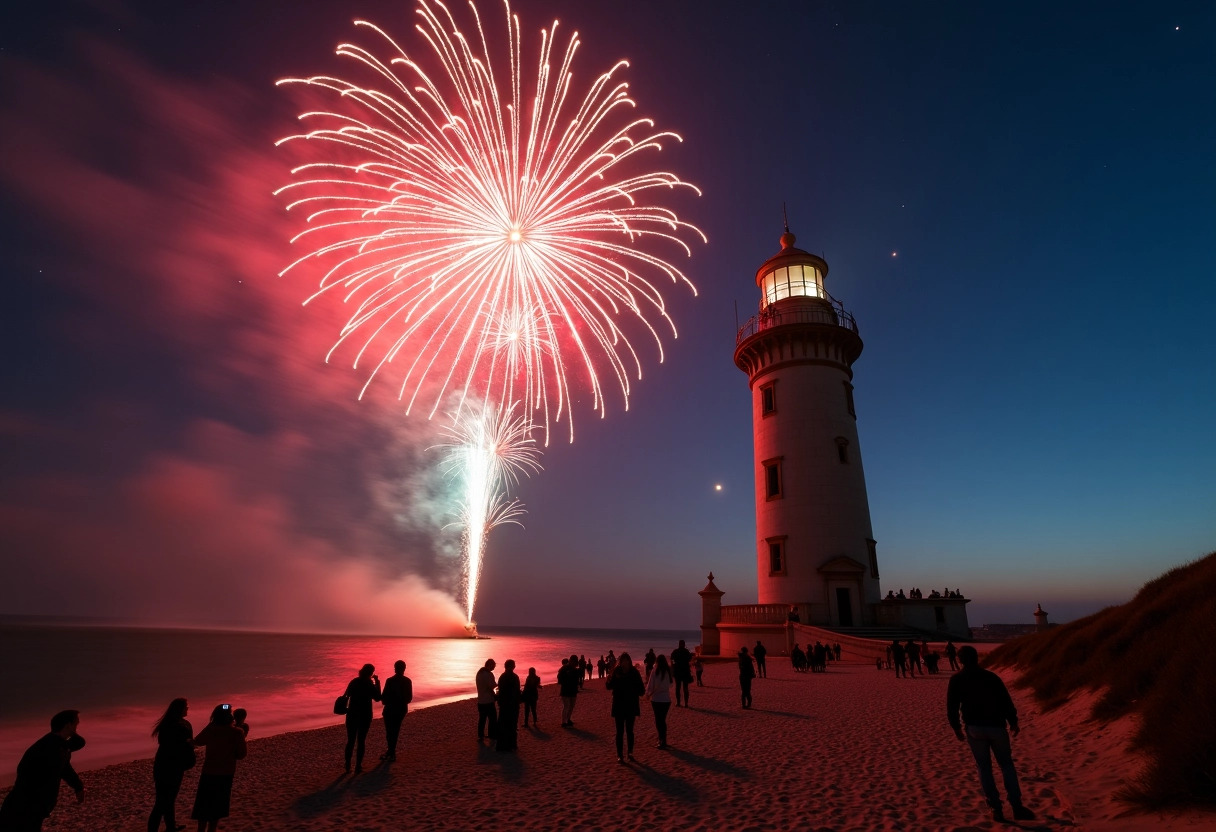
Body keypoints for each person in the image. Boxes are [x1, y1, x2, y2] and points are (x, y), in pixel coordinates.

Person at [947, 646, 1035, 822]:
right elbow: (1005, 700)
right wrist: (1014, 721)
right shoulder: (991, 677)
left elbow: (952, 706)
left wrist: (956, 727)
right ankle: (1016, 806)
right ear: (977, 658)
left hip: (974, 728)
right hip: (996, 726)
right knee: (1006, 765)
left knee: (984, 768)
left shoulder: (957, 679)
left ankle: (995, 808)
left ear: (960, 660)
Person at [0, 710, 85, 831]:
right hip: (23, 807)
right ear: (67, 725)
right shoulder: (49, 748)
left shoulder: (60, 746)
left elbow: (66, 766)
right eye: (76, 724)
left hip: (32, 807)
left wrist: (78, 786)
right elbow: (59, 770)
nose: (78, 726)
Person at [191, 704, 247, 832]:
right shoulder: (237, 733)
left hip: (209, 771)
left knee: (204, 804)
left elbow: (198, 741)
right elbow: (242, 755)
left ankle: (201, 830)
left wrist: (211, 725)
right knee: (217, 806)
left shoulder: (211, 729)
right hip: (226, 773)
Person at [148, 698, 194, 832]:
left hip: (163, 764)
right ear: (180, 709)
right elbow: (185, 745)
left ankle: (170, 826)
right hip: (172, 766)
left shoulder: (167, 724)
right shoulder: (181, 725)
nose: (188, 709)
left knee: (166, 800)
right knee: (163, 802)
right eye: (186, 707)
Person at [605, 652, 645, 763]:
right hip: (618, 705)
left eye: (626, 660)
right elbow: (609, 686)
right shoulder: (616, 671)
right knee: (619, 732)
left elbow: (641, 690)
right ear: (620, 661)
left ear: (629, 661)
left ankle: (630, 752)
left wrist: (634, 690)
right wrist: (608, 680)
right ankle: (620, 755)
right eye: (622, 660)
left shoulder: (634, 672)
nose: (624, 663)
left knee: (630, 731)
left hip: (631, 705)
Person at [342, 664, 381, 772]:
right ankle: (358, 766)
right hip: (365, 715)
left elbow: (346, 695)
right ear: (371, 673)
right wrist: (377, 682)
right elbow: (378, 698)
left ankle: (348, 765)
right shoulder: (369, 684)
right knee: (361, 740)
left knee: (350, 741)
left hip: (352, 714)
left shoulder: (354, 681)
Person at [380, 660, 412, 762]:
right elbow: (409, 698)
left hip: (390, 709)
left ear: (395, 668)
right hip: (401, 709)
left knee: (390, 731)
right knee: (395, 730)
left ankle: (391, 751)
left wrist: (389, 701)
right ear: (404, 668)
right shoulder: (407, 681)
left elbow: (384, 697)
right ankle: (391, 751)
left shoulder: (390, 680)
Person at [645, 654, 674, 749]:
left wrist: (647, 694)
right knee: (662, 720)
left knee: (658, 720)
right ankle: (663, 739)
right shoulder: (667, 672)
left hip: (656, 699)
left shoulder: (655, 671)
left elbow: (650, 685)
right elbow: (671, 685)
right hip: (666, 699)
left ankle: (661, 740)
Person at [496, 660, 521, 752]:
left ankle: (502, 745)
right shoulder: (514, 677)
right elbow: (516, 692)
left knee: (503, 725)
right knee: (512, 725)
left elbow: (501, 691)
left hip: (504, 704)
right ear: (513, 666)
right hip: (512, 705)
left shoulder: (502, 677)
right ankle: (511, 745)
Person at [476, 659, 498, 741]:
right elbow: (492, 686)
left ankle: (480, 735)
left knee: (482, 719)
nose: (494, 668)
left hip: (480, 700)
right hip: (488, 700)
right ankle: (491, 734)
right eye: (493, 666)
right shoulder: (489, 674)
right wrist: (499, 684)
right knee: (492, 718)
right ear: (490, 665)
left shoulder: (479, 673)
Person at [557, 653, 581, 727]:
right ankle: (564, 722)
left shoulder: (575, 669)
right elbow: (559, 678)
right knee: (567, 706)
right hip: (566, 690)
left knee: (571, 706)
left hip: (573, 690)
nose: (574, 663)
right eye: (573, 661)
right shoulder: (564, 668)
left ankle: (568, 719)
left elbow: (577, 679)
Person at [670, 640, 693, 707]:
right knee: (685, 688)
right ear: (684, 644)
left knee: (678, 687)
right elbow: (689, 659)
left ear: (679, 644)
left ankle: (678, 702)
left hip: (677, 671)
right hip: (685, 671)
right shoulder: (686, 652)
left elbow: (672, 660)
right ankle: (686, 703)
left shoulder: (675, 651)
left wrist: (674, 665)